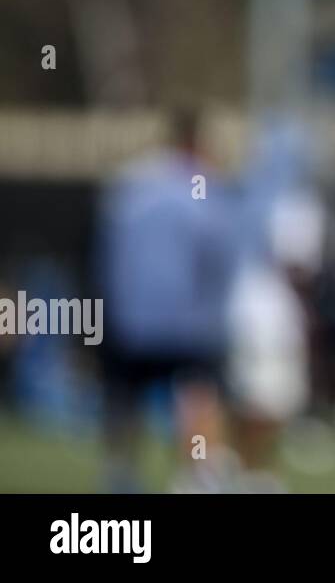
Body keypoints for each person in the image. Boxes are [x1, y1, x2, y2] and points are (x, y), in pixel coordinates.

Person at [95, 109, 240, 492]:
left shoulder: (130, 182)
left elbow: (103, 249)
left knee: (126, 399)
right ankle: (197, 478)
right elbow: (219, 257)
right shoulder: (203, 186)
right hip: (189, 320)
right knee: (198, 395)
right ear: (196, 143)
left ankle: (120, 475)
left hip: (130, 316)